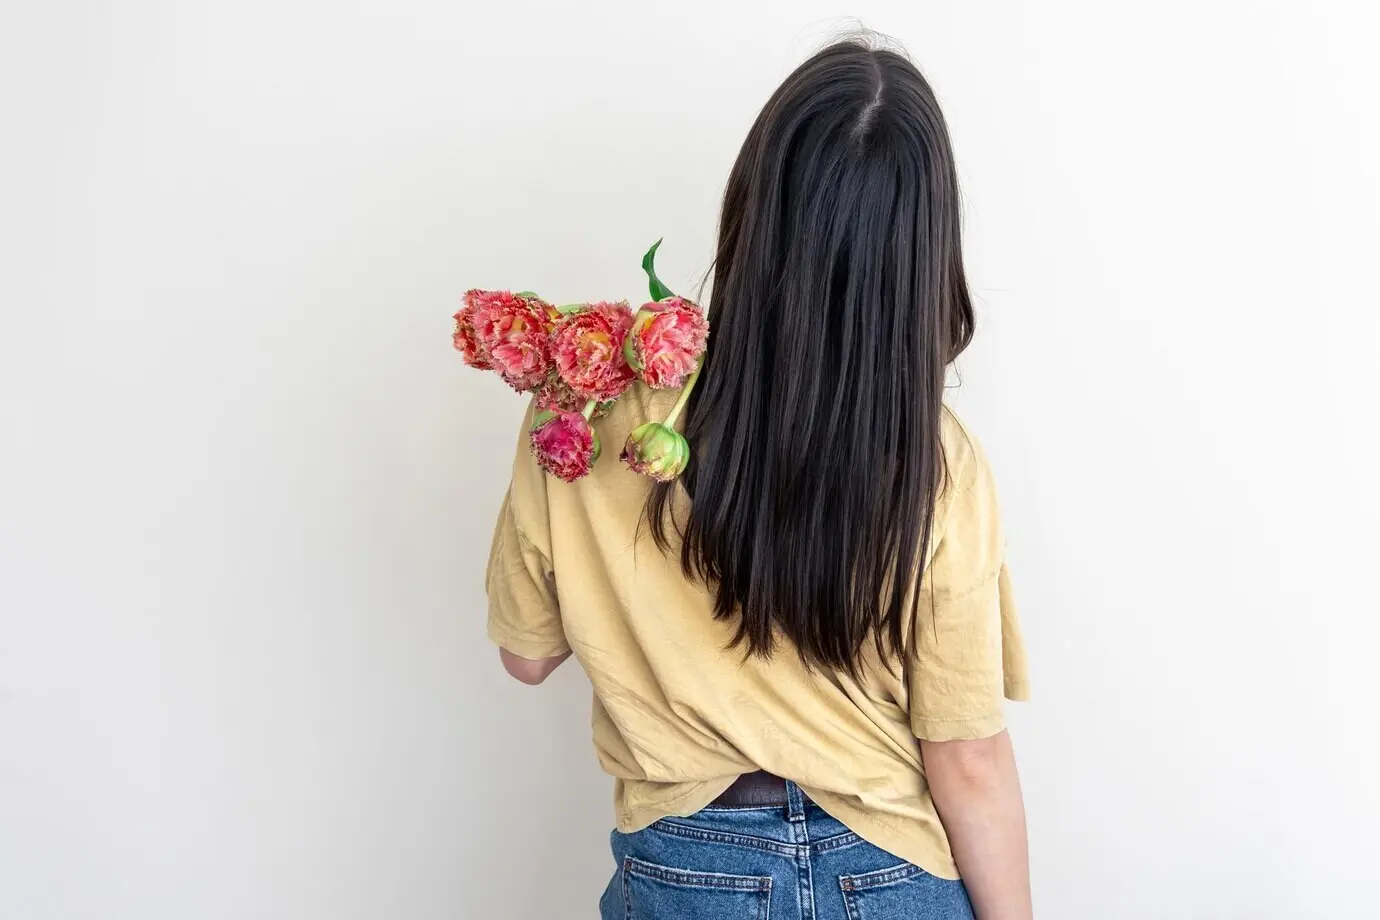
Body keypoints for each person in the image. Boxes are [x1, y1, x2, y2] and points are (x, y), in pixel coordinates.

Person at [484, 36, 1033, 920]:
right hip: (890, 876)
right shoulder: (935, 460)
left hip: (683, 872)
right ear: (919, 255)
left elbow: (527, 655)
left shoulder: (588, 399)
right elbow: (965, 755)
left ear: (752, 205)